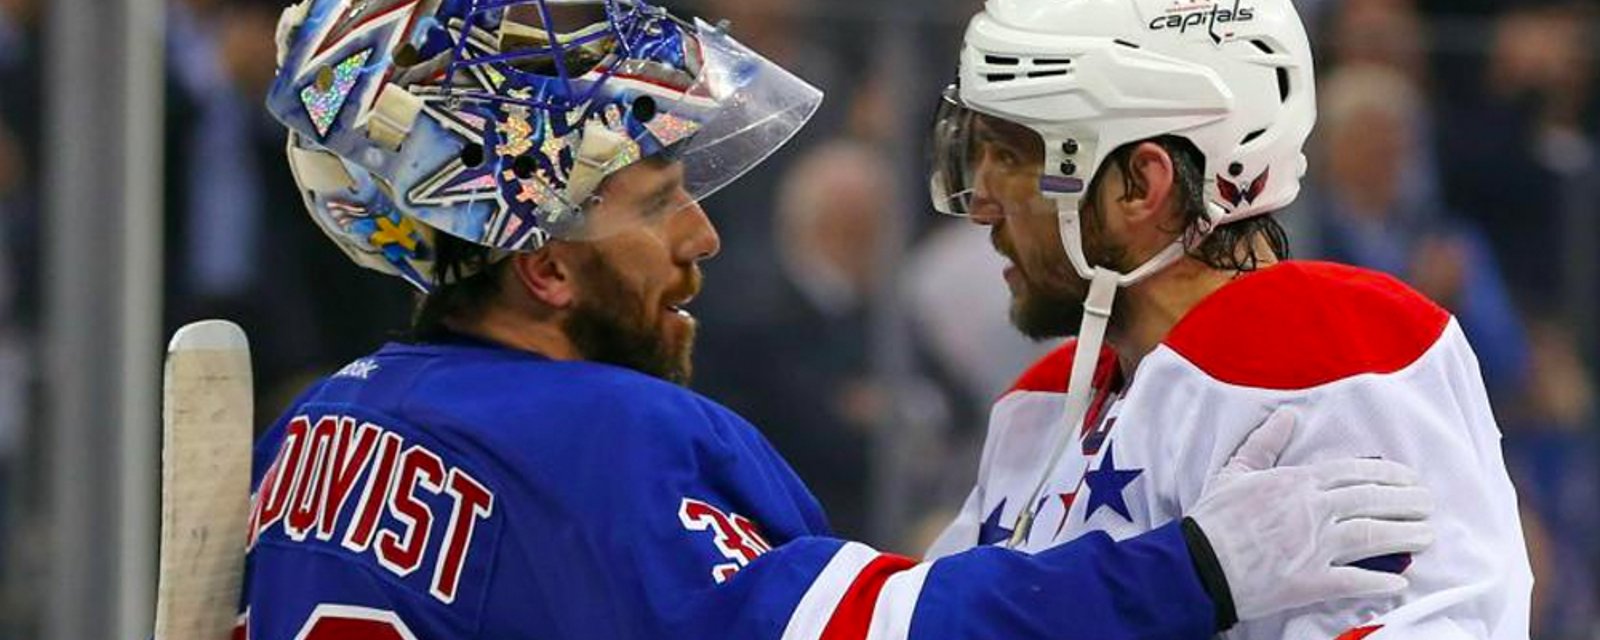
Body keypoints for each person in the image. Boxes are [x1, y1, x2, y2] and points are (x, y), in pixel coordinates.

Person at [243, 1, 1434, 638]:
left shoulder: (318, 432)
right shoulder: (597, 440)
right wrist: (1190, 570)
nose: (704, 237)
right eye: (661, 204)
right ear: (546, 270)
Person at [925, 0, 1531, 638]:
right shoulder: (1044, 400)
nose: (983, 205)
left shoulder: (1334, 349)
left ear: (1140, 185)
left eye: (1013, 158)